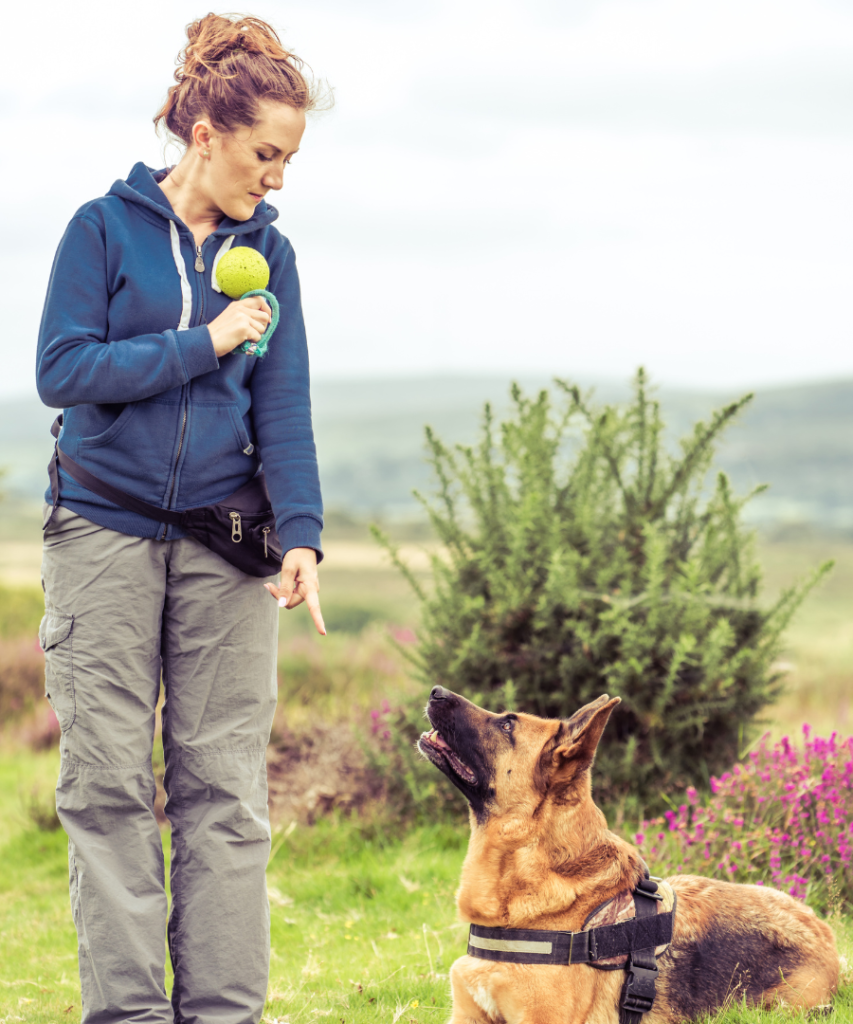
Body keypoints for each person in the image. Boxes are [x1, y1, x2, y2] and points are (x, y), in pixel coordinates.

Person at [35, 14, 326, 1024]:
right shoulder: (101, 230)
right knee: (109, 792)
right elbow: (62, 373)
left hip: (223, 545)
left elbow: (282, 405)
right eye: (265, 154)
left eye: (287, 159)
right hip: (102, 535)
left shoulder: (271, 258)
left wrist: (301, 535)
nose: (276, 178)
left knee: (226, 799)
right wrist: (200, 343)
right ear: (205, 129)